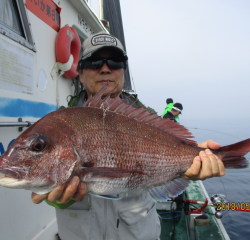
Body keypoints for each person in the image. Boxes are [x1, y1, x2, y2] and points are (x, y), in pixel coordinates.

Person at [31, 31, 226, 240]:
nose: (105, 68)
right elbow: (41, 188)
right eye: (95, 61)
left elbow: (174, 149)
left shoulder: (147, 117)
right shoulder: (58, 124)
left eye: (115, 62)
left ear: (123, 70)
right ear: (80, 72)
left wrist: (193, 161)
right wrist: (57, 197)